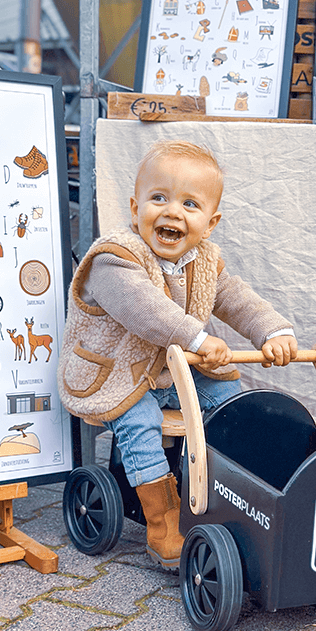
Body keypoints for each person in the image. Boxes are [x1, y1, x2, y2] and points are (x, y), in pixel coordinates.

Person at [58, 140, 297, 568]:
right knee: (141, 421)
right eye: (159, 198)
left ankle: (233, 493)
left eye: (190, 204)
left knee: (236, 403)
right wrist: (199, 340)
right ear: (135, 209)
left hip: (174, 371)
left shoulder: (203, 259)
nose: (172, 212)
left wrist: (273, 329)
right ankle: (163, 520)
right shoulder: (114, 259)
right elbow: (145, 310)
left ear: (210, 222)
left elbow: (236, 298)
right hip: (119, 375)